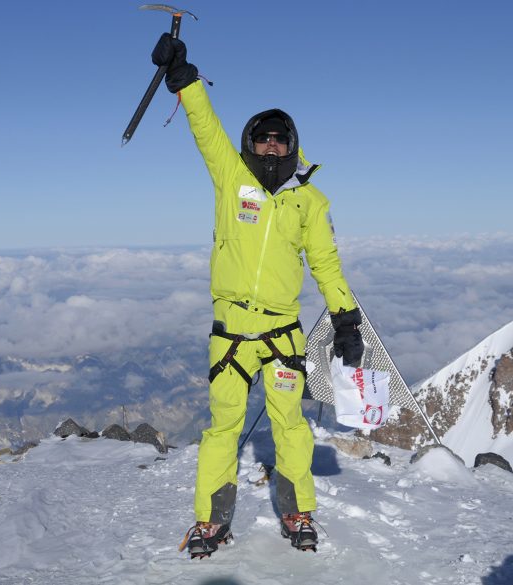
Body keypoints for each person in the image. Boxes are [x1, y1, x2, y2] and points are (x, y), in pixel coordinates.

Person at [151, 33, 364, 557]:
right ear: (250, 142)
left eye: (280, 140)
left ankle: (297, 511)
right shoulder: (231, 177)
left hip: (282, 335)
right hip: (230, 335)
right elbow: (205, 128)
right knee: (223, 427)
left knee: (291, 427)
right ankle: (211, 520)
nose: (271, 146)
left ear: (292, 146)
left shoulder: (310, 202)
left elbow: (326, 264)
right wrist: (184, 78)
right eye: (263, 138)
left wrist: (346, 320)